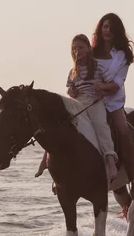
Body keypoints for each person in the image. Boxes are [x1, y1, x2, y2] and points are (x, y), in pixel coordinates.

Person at [35, 34, 119, 181]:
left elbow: (112, 85)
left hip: (94, 101)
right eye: (74, 49)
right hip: (78, 102)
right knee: (58, 124)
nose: (77, 51)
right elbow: (70, 88)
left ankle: (111, 162)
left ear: (88, 48)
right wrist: (71, 92)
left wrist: (102, 89)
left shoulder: (98, 67)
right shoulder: (73, 71)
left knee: (100, 125)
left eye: (80, 48)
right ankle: (46, 160)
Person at [91, 13, 134, 198]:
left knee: (123, 130)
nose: (108, 31)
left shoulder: (122, 56)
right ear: (100, 28)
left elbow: (118, 83)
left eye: (111, 28)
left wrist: (103, 88)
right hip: (89, 101)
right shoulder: (90, 52)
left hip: (113, 102)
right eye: (105, 26)